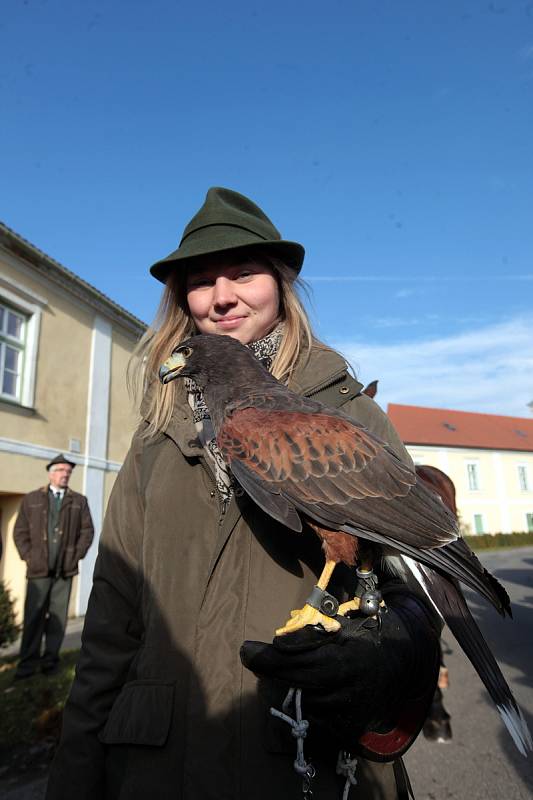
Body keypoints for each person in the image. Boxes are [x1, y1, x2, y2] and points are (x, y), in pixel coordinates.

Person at [46, 188, 441, 800]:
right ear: (183, 300)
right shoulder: (156, 438)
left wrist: (391, 651)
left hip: (301, 759)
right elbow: (111, 621)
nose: (223, 295)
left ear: (280, 285)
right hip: (156, 769)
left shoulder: (349, 415)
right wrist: (73, 780)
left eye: (245, 273)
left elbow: (413, 587)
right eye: (201, 280)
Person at [13, 454, 94, 679]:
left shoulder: (79, 501)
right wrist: (29, 557)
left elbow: (87, 532)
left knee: (58, 620)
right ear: (50, 473)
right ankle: (27, 666)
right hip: (38, 571)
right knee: (33, 618)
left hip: (64, 572)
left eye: (68, 471)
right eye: (60, 470)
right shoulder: (31, 499)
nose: (65, 474)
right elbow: (20, 532)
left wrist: (75, 556)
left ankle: (50, 663)